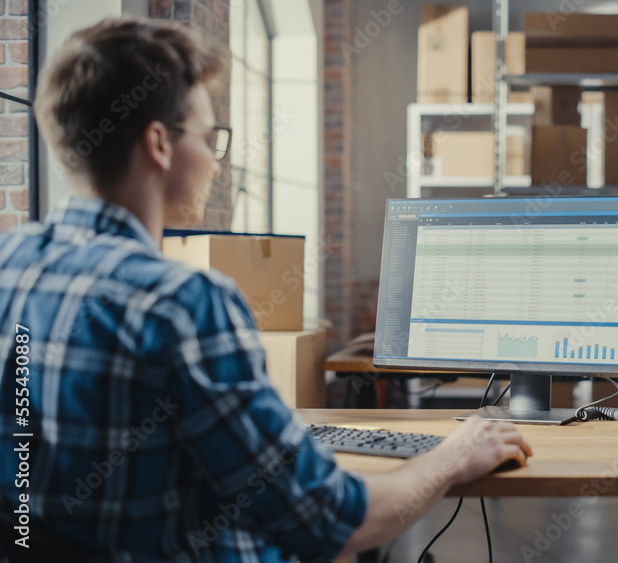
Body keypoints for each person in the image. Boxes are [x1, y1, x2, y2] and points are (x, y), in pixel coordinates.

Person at [0, 17, 531, 562]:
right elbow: (331, 519)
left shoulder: (9, 267)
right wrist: (453, 456)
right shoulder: (184, 303)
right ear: (159, 144)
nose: (216, 160)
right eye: (210, 137)